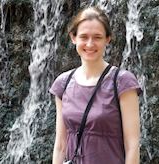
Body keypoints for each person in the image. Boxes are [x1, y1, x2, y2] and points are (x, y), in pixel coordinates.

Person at [49, 6, 142, 164]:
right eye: (84, 37)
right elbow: (60, 145)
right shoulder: (63, 84)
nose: (90, 44)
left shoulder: (122, 82)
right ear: (73, 37)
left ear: (107, 39)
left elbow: (132, 145)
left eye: (97, 37)